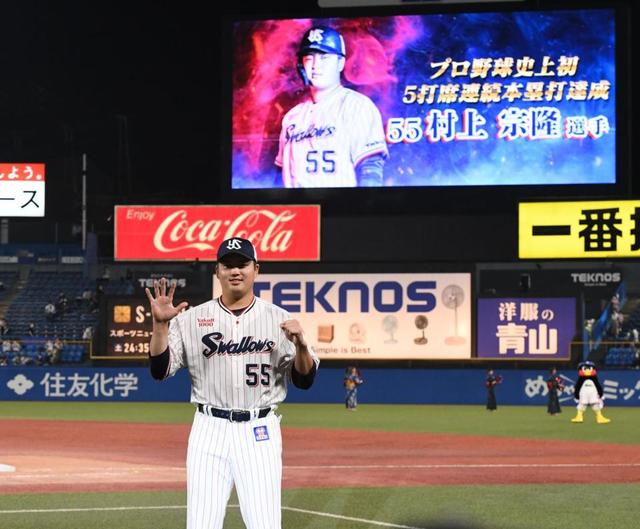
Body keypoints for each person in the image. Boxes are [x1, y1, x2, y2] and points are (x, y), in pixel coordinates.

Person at [145, 237, 319, 529]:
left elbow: (304, 380)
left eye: (242, 264)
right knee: (201, 523)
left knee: (264, 524)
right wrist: (160, 326)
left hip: (259, 429)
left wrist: (301, 346)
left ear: (256, 270)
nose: (235, 271)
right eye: (228, 265)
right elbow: (160, 370)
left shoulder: (280, 319)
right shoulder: (192, 319)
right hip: (208, 428)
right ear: (218, 271)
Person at [275, 25, 388, 188]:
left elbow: (370, 168)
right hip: (301, 211)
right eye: (309, 57)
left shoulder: (357, 106)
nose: (315, 65)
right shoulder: (292, 117)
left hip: (342, 208)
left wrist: (365, 209)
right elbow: (279, 176)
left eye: (324, 57)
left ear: (341, 63)